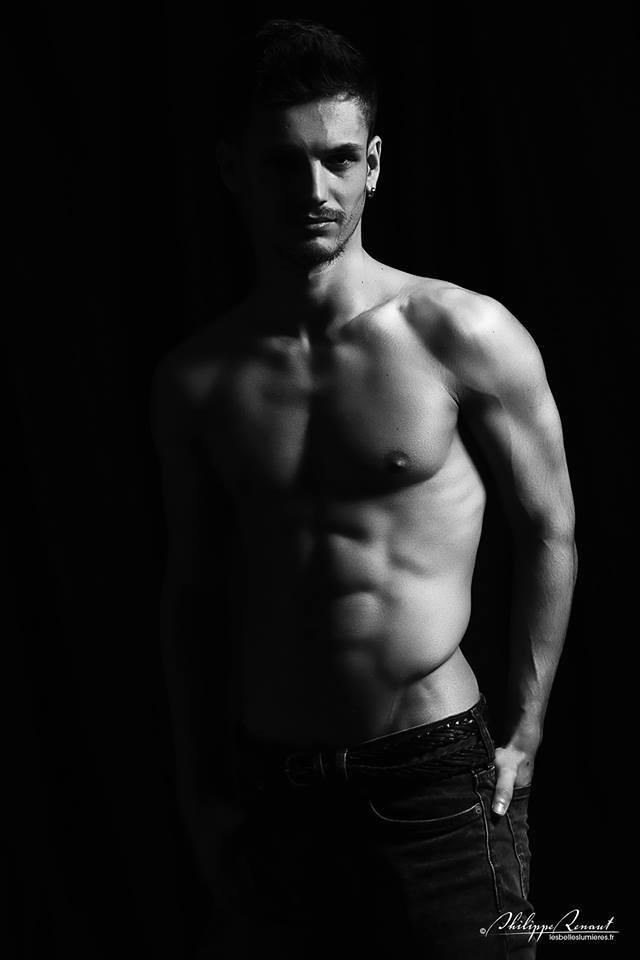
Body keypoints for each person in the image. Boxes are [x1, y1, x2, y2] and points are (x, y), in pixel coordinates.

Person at [150, 18, 577, 959]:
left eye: (339, 159)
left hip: (434, 781)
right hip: (273, 794)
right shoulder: (197, 381)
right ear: (232, 170)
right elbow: (191, 592)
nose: (315, 190)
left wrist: (527, 732)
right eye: (282, 163)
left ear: (373, 164)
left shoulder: (460, 332)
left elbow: (550, 530)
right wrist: (197, 787)